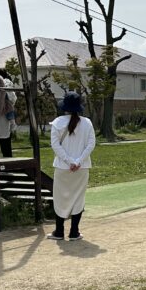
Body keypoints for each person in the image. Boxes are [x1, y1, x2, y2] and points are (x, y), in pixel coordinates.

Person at [48, 91, 96, 241]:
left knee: (60, 198)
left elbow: (55, 146)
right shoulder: (87, 123)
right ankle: (74, 231)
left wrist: (69, 161)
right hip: (82, 168)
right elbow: (91, 144)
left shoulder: (57, 123)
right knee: (78, 198)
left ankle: (59, 231)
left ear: (65, 107)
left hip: (62, 167)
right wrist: (78, 161)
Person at [0, 67, 18, 132]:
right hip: (9, 98)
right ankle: (12, 122)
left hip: (6, 98)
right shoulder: (8, 81)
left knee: (8, 107)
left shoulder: (1, 80)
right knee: (9, 108)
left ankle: (12, 122)